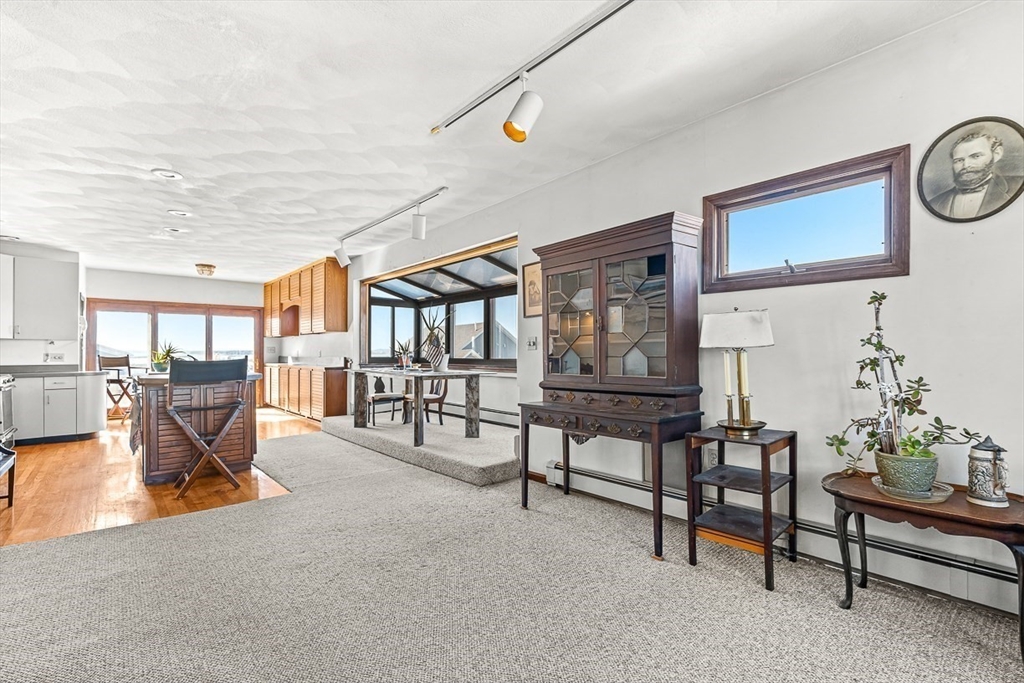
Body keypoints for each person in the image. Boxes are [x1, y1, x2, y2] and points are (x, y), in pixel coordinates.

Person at [928, 131, 1023, 219]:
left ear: (997, 154)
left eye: (976, 156)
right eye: (959, 160)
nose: (966, 165)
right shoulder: (934, 203)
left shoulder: (1018, 185)